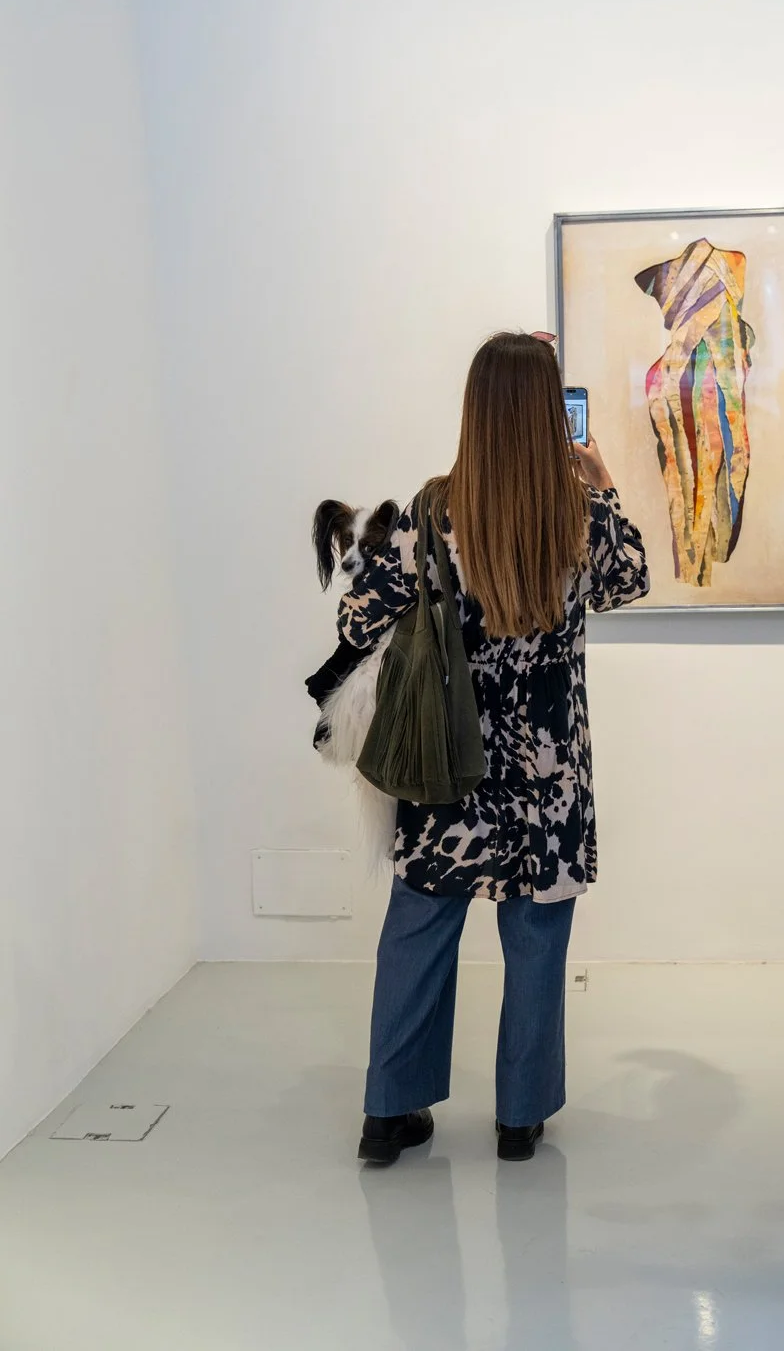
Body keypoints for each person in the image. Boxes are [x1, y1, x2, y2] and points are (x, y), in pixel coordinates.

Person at [311, 330, 649, 1164]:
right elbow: (629, 578)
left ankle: (389, 1111)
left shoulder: (432, 513)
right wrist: (601, 481)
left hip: (449, 763)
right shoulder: (574, 516)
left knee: (420, 924)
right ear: (547, 415)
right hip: (549, 774)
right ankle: (519, 1119)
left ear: (475, 411)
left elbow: (356, 616)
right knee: (537, 933)